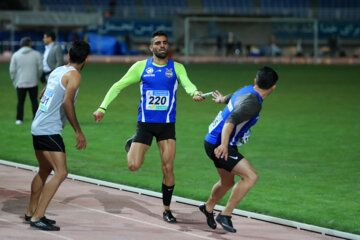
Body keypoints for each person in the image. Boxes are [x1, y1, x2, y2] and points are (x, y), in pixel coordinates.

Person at [93, 30, 204, 223]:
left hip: (167, 126)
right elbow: (118, 86)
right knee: (133, 166)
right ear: (151, 47)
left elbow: (188, 85)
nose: (162, 45)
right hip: (145, 124)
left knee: (168, 168)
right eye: (158, 43)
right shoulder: (140, 67)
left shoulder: (177, 67)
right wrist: (102, 108)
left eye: (164, 43)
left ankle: (167, 209)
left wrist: (194, 92)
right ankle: (131, 144)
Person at [199, 66, 278, 233]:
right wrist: (224, 145)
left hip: (213, 140)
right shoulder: (254, 104)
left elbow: (234, 97)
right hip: (219, 144)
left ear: (255, 81)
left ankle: (207, 208)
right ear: (273, 87)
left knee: (227, 182)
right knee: (251, 176)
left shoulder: (247, 89)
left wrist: (222, 99)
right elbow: (230, 121)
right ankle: (225, 215)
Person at [25, 40, 90, 231]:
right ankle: (38, 217)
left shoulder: (57, 71)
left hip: (37, 125)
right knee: (61, 172)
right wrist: (78, 131)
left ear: (69, 56)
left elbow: (42, 95)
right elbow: (67, 103)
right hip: (49, 129)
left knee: (44, 170)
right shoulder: (74, 76)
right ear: (86, 59)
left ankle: (31, 212)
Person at [9, 37, 43, 125]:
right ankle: (36, 118)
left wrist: (15, 81)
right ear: (30, 44)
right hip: (33, 82)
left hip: (20, 82)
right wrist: (37, 77)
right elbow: (40, 68)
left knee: (20, 101)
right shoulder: (37, 54)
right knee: (34, 101)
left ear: (21, 45)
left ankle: (19, 119)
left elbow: (12, 70)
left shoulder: (15, 55)